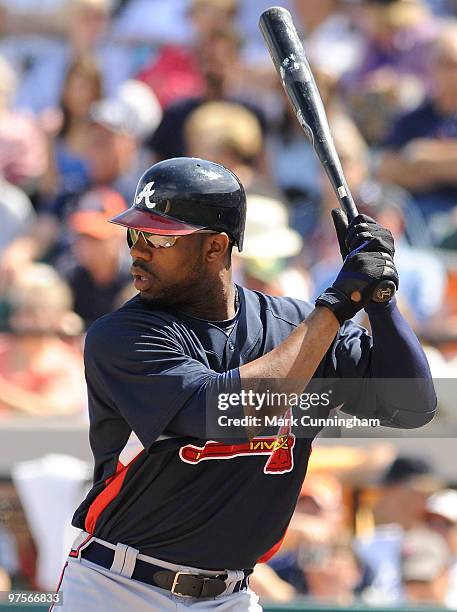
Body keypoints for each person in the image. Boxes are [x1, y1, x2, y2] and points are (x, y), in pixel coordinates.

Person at [57, 157, 435, 611]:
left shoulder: (293, 326)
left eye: (158, 236)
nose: (138, 249)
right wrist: (336, 306)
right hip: (119, 587)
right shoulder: (123, 335)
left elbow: (412, 406)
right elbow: (226, 412)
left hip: (231, 595)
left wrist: (380, 298)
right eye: (134, 232)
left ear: (215, 247)